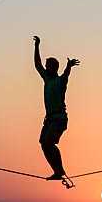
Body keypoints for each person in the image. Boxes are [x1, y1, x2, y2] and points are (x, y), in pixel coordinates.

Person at [33, 35, 80, 180]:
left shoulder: (59, 81)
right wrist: (37, 47)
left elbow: (65, 76)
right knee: (43, 143)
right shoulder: (46, 79)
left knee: (49, 142)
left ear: (55, 68)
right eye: (46, 66)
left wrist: (68, 67)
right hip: (49, 119)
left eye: (49, 66)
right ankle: (57, 171)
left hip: (59, 118)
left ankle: (59, 171)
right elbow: (37, 65)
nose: (46, 68)